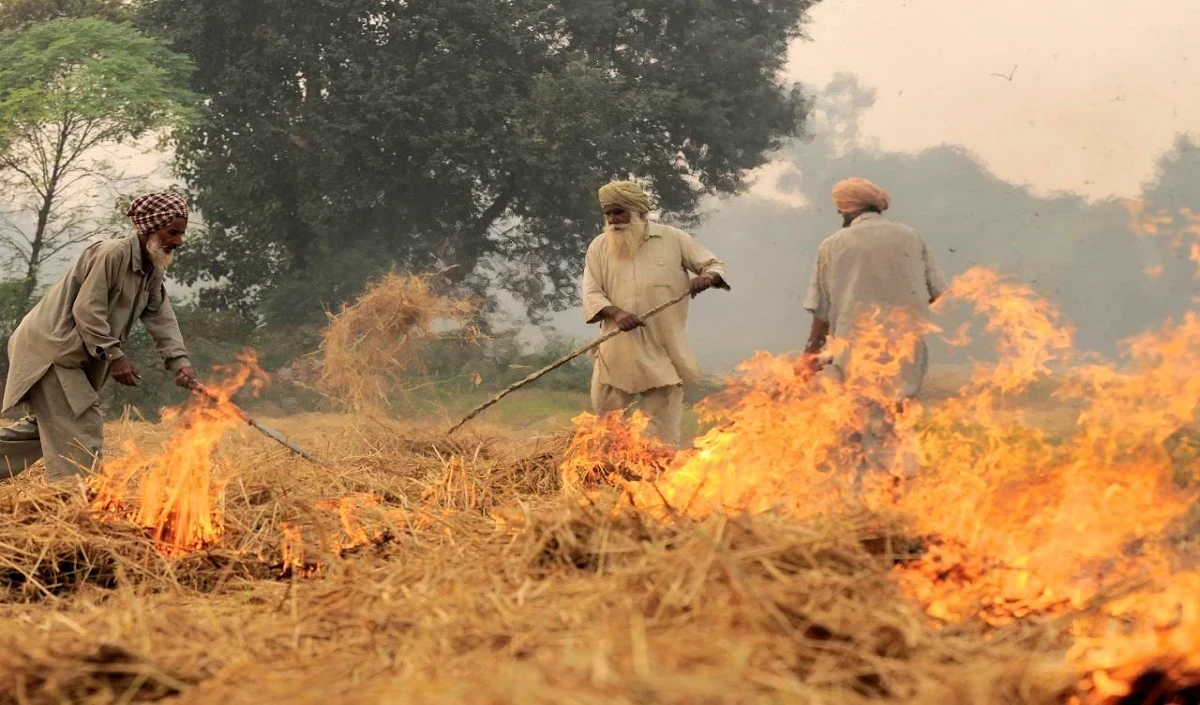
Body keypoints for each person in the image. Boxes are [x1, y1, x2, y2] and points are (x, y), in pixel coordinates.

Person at [0, 192, 198, 481]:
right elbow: (87, 310)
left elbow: (160, 317)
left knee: (48, 428)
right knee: (81, 421)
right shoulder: (111, 253)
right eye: (173, 232)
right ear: (148, 229)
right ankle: (76, 503)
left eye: (181, 233)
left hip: (69, 355)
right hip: (51, 350)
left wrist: (179, 363)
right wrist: (115, 356)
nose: (179, 241)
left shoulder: (151, 270)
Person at [581, 180, 729, 447]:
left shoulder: (672, 238)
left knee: (661, 439)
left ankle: (660, 481)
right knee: (607, 433)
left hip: (663, 350)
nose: (614, 220)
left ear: (638, 211)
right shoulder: (599, 246)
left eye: (619, 212)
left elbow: (713, 264)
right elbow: (591, 292)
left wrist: (707, 278)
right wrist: (616, 313)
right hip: (617, 352)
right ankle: (603, 480)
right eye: (608, 214)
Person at [798, 177, 947, 399]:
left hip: (853, 349)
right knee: (896, 417)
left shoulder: (833, 244)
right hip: (906, 349)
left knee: (857, 419)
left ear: (847, 210)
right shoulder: (911, 237)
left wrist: (810, 355)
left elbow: (822, 310)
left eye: (840, 212)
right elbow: (936, 292)